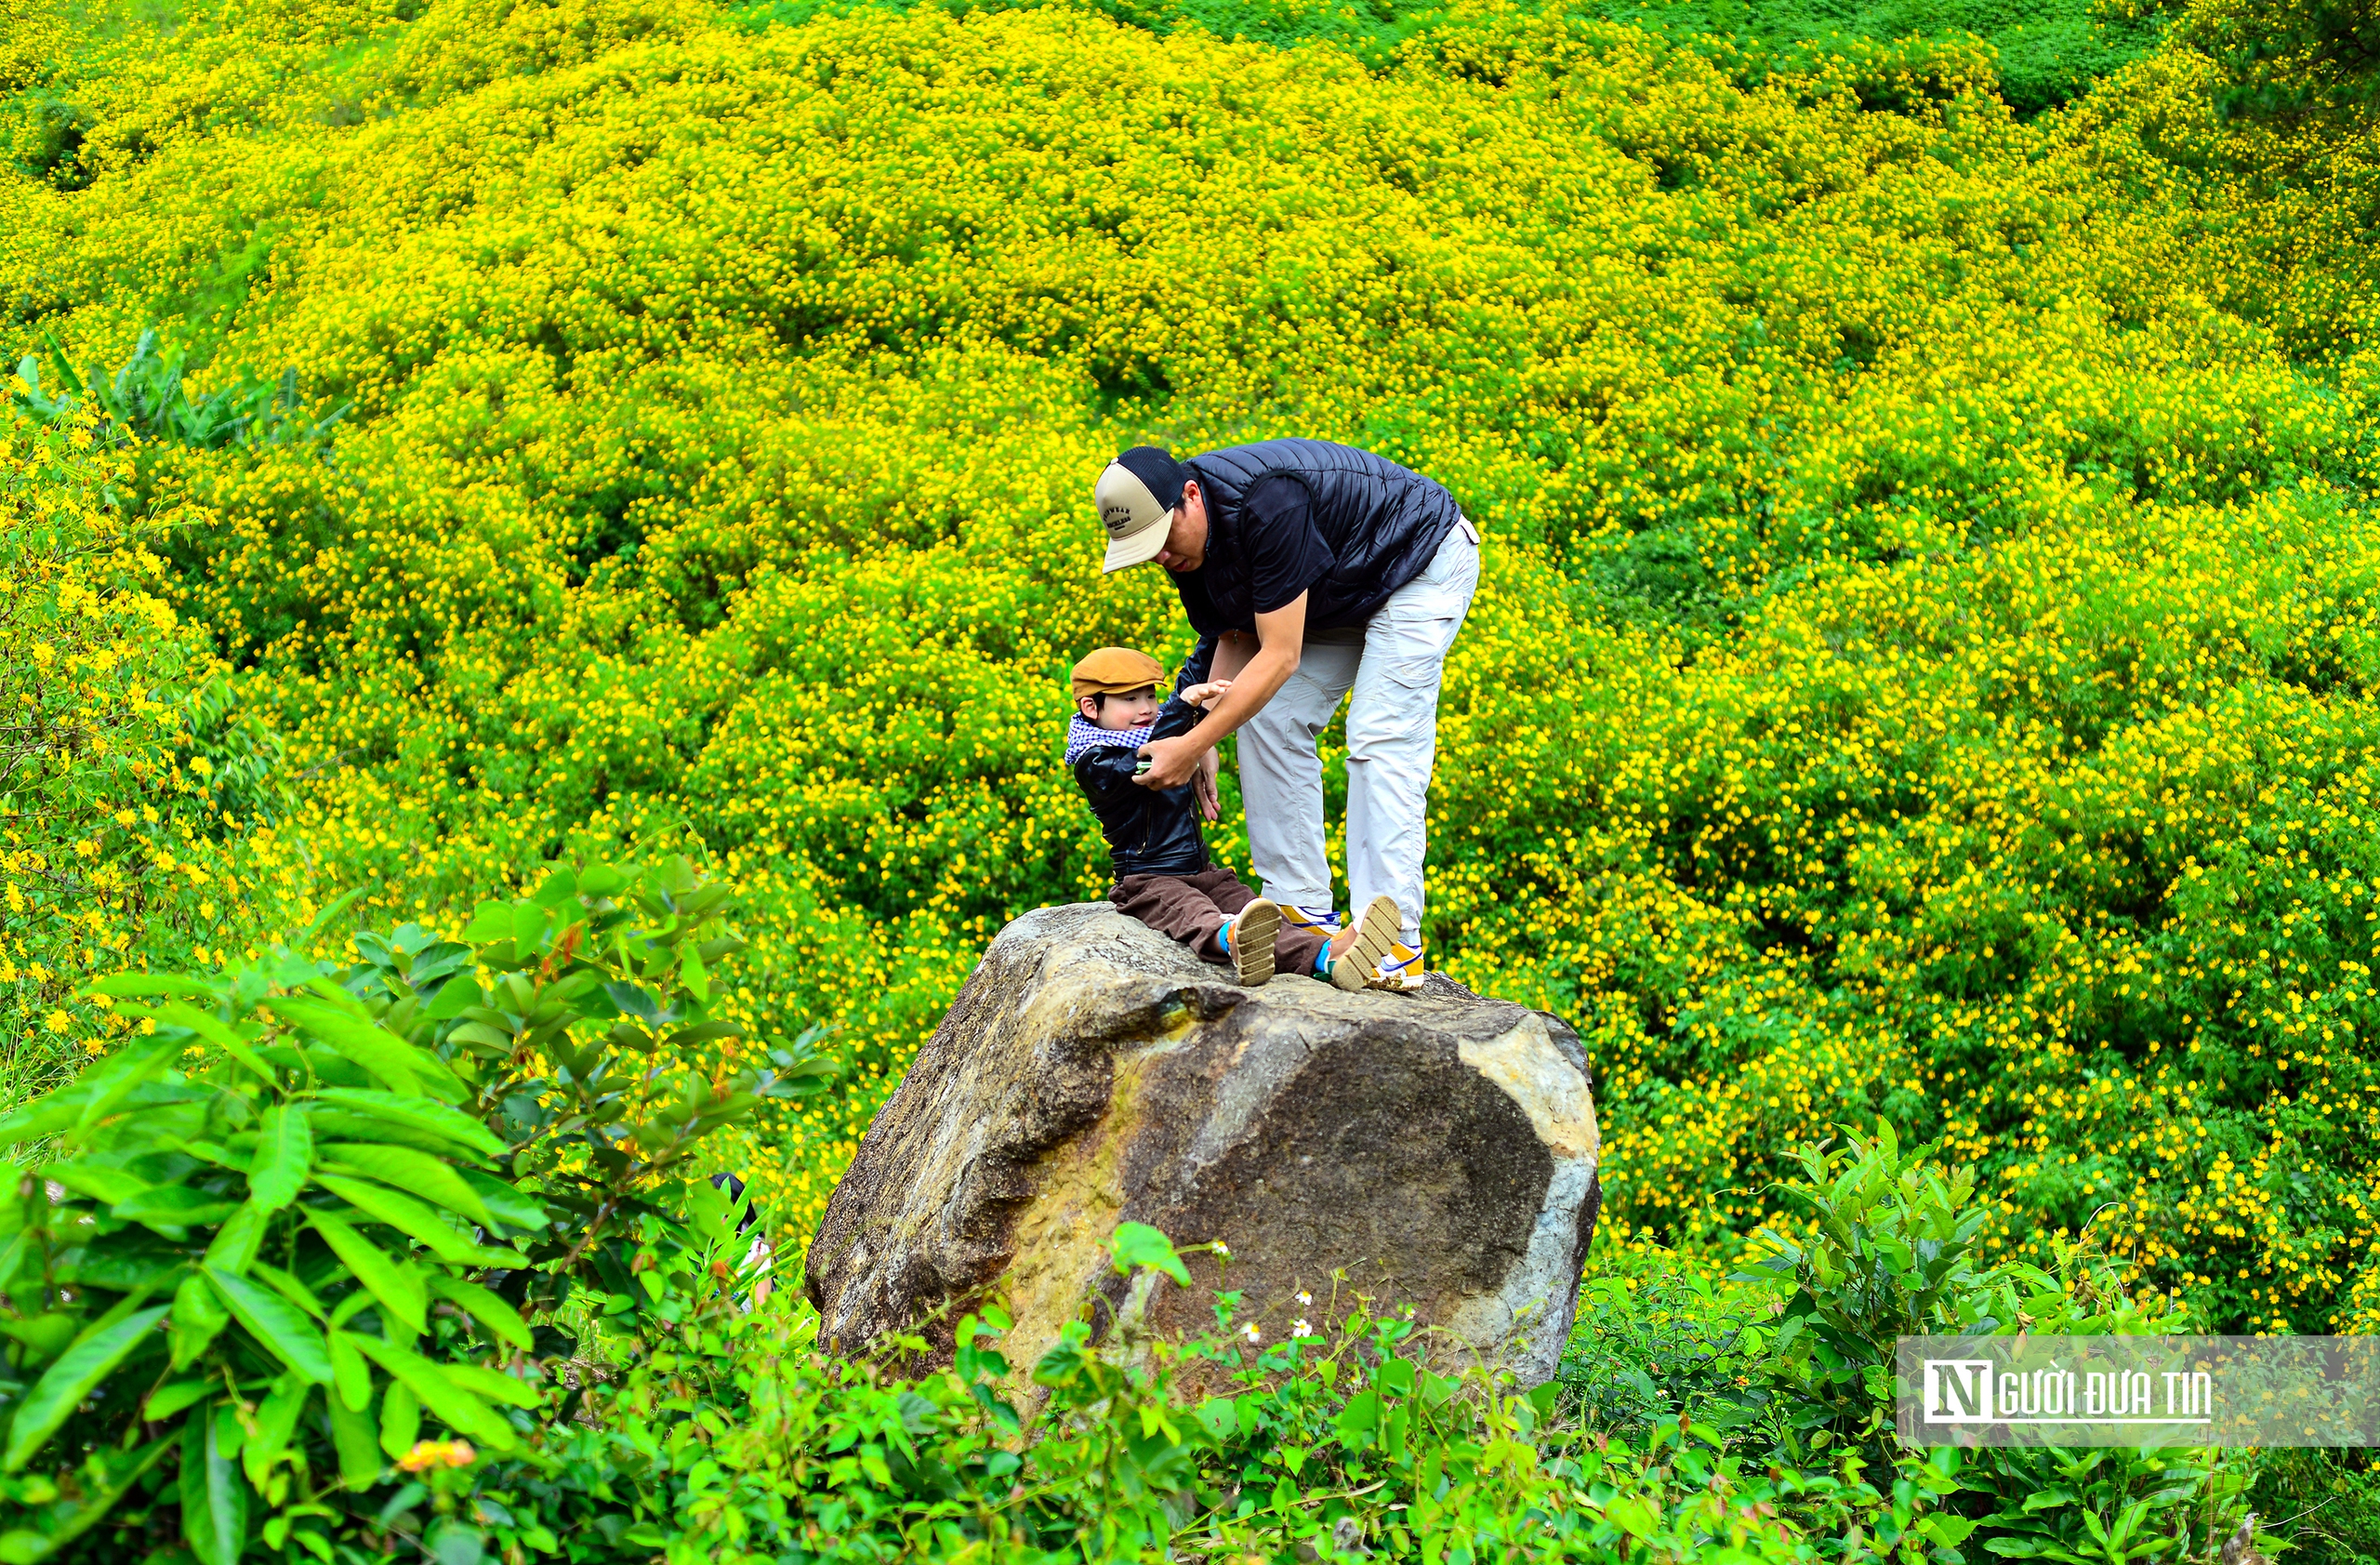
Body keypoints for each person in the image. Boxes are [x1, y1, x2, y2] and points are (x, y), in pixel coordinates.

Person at [1091, 440, 1480, 988]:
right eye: (1144, 549)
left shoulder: (1267, 502)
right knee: (1266, 717)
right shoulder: (1186, 548)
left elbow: (1279, 654)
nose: (1159, 557)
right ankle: (1303, 914)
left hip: (1416, 559)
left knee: (1378, 738)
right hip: (1336, 589)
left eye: (1160, 539)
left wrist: (1194, 746)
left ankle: (1392, 942)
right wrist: (1201, 733)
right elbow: (1232, 635)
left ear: (1191, 496)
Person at [1067, 645, 1399, 988]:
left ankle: (1329, 955)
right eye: (1130, 699)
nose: (1146, 708)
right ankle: (1233, 940)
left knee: (1259, 912)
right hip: (1147, 880)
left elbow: (1195, 674)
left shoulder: (1160, 726)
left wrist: (1229, 621)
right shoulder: (1094, 761)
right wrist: (1183, 712)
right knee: (1194, 914)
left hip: (1201, 871)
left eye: (1150, 696)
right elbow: (1150, 762)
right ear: (1092, 707)